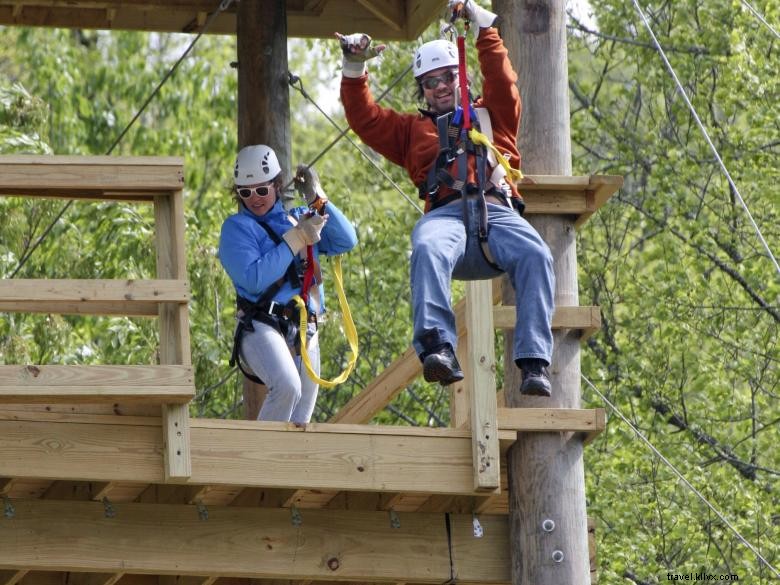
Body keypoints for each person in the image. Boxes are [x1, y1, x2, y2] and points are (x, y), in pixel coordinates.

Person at [337, 0, 555, 396]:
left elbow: (503, 81)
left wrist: (484, 28)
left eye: (447, 78)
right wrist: (355, 66)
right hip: (446, 216)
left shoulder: (494, 117)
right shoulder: (410, 132)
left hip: (495, 213)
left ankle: (534, 361)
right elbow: (364, 118)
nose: (439, 87)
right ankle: (438, 346)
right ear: (422, 90)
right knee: (426, 245)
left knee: (537, 255)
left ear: (461, 77)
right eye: (430, 82)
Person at [219, 145, 358, 422]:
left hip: (306, 328)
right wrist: (296, 239)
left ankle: (286, 465)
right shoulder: (237, 229)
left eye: (261, 189)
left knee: (300, 419)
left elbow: (346, 240)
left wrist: (318, 200)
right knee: (286, 387)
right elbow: (254, 279)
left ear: (277, 185)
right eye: (245, 192)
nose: (254, 198)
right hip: (262, 326)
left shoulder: (298, 217)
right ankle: (258, 464)